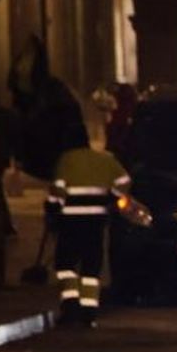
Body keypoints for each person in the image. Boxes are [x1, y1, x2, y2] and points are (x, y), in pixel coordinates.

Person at [46, 121, 130, 327]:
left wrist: (52, 210)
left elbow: (58, 189)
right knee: (91, 266)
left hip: (70, 221)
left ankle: (70, 308)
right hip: (96, 220)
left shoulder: (66, 160)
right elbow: (124, 179)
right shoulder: (104, 160)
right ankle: (89, 313)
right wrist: (112, 197)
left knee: (66, 265)